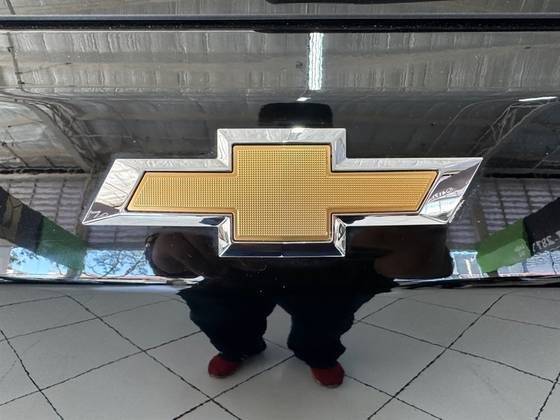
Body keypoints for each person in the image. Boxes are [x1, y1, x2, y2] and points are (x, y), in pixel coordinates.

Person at [145, 226, 452, 388]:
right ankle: (236, 349)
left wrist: (417, 244)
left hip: (336, 264)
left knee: (325, 323)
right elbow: (164, 249)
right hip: (228, 259)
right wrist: (162, 247)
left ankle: (317, 355)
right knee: (220, 317)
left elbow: (432, 263)